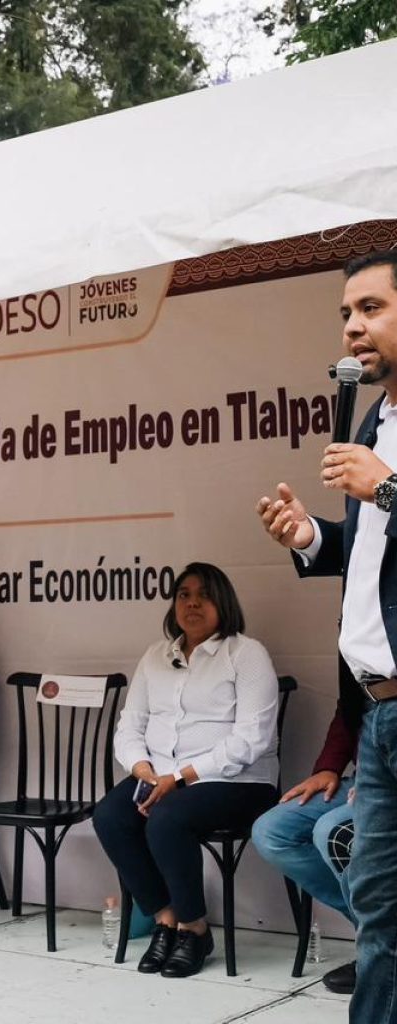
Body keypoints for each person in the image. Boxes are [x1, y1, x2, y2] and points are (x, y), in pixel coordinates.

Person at [256, 249, 397, 1022]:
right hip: (377, 714)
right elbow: (375, 552)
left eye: (371, 308)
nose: (351, 327)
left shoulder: (380, 457)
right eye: (346, 313)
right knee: (379, 913)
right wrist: (312, 535)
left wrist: (389, 487)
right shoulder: (376, 423)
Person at [92, 562, 279, 979]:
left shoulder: (245, 653)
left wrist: (178, 778)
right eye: (184, 595)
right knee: (109, 816)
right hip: (160, 776)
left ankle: (195, 930)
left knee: (167, 819)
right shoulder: (155, 656)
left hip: (236, 781)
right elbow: (130, 725)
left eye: (204, 595)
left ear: (223, 602)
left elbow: (251, 740)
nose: (192, 603)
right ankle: (166, 918)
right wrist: (142, 768)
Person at [250, 685, 359, 994]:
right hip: (362, 779)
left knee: (331, 831)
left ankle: (379, 946)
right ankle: (378, 932)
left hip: (384, 779)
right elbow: (351, 708)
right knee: (272, 831)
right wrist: (328, 767)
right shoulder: (357, 657)